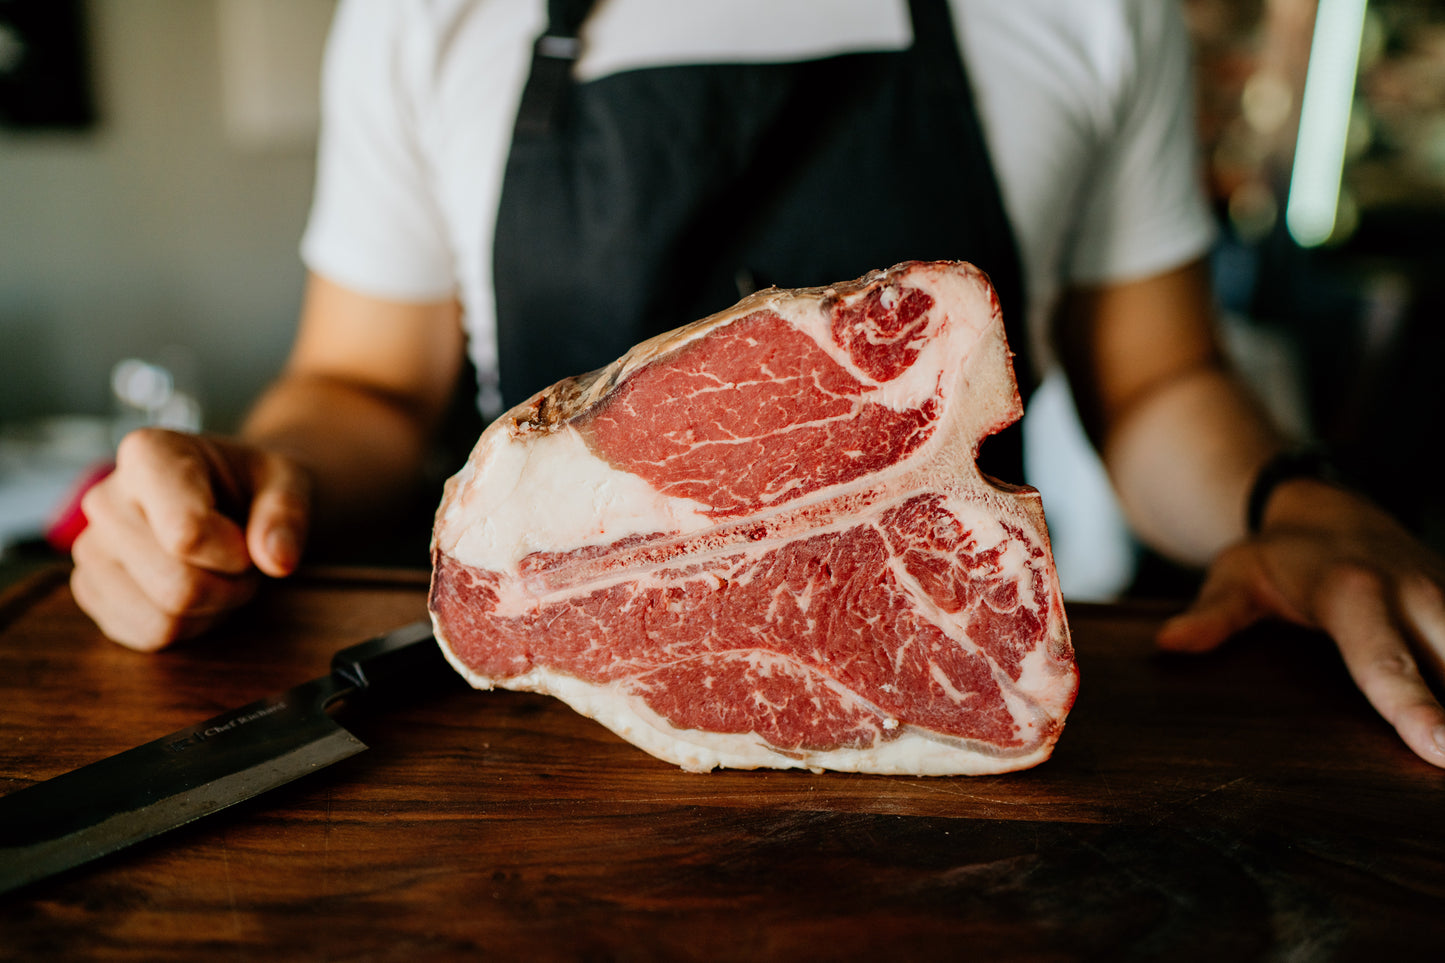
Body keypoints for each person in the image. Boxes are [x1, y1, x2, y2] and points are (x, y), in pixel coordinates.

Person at [69, 0, 1445, 769]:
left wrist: (1291, 496)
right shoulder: (431, 13)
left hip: (942, 697)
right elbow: (362, 387)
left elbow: (1160, 384)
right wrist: (255, 485)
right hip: (544, 761)